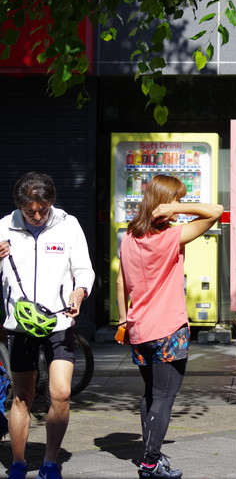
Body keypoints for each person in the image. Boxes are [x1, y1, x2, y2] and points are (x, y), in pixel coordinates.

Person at [116, 175, 222, 479]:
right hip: (168, 329)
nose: (179, 206)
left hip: (139, 328)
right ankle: (150, 462)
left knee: (151, 394)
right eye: (177, 199)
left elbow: (122, 280)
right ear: (164, 201)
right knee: (164, 397)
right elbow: (216, 210)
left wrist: (124, 318)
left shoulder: (130, 237)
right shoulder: (170, 236)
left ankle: (151, 455)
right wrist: (176, 207)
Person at [0, 172, 95, 479]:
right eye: (31, 211)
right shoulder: (4, 227)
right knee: (22, 396)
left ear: (52, 202)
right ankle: (17, 462)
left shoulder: (68, 225)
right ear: (19, 206)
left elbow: (84, 269)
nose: (38, 215)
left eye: (44, 208)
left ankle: (51, 463)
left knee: (62, 393)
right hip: (21, 326)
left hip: (59, 322)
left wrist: (79, 292)